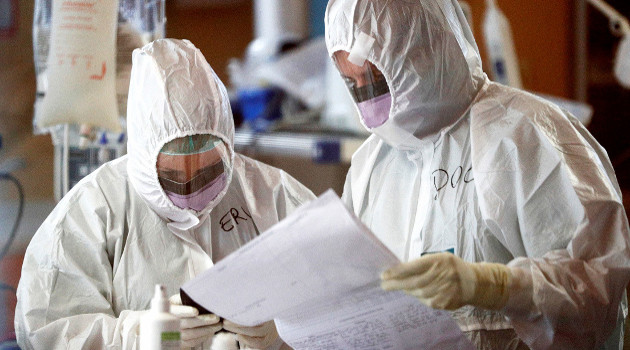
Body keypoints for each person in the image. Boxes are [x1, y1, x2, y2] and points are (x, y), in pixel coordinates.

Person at [325, 0, 630, 349]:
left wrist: (496, 286)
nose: (369, 101)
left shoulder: (531, 135)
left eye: (377, 79)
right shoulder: (370, 165)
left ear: (427, 49)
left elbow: (597, 287)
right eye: (355, 85)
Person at [15, 39, 315, 349]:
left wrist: (289, 328)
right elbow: (45, 332)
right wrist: (137, 336)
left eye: (208, 173)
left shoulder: (271, 195)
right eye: (172, 177)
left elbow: (341, 299)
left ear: (228, 145)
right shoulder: (92, 212)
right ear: (145, 160)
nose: (191, 193)